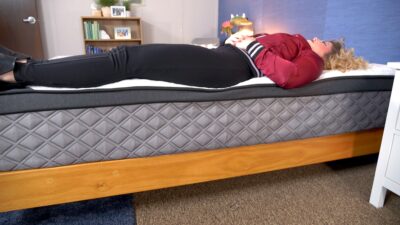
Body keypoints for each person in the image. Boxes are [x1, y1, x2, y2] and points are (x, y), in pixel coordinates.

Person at [0, 31, 367, 89]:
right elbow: (263, 51)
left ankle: (19, 73)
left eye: (324, 40)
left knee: (126, 60)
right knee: (126, 57)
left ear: (329, 52)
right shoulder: (298, 41)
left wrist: (249, 44)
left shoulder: (312, 61)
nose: (317, 38)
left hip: (228, 67)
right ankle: (21, 64)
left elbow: (286, 76)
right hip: (225, 55)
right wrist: (242, 38)